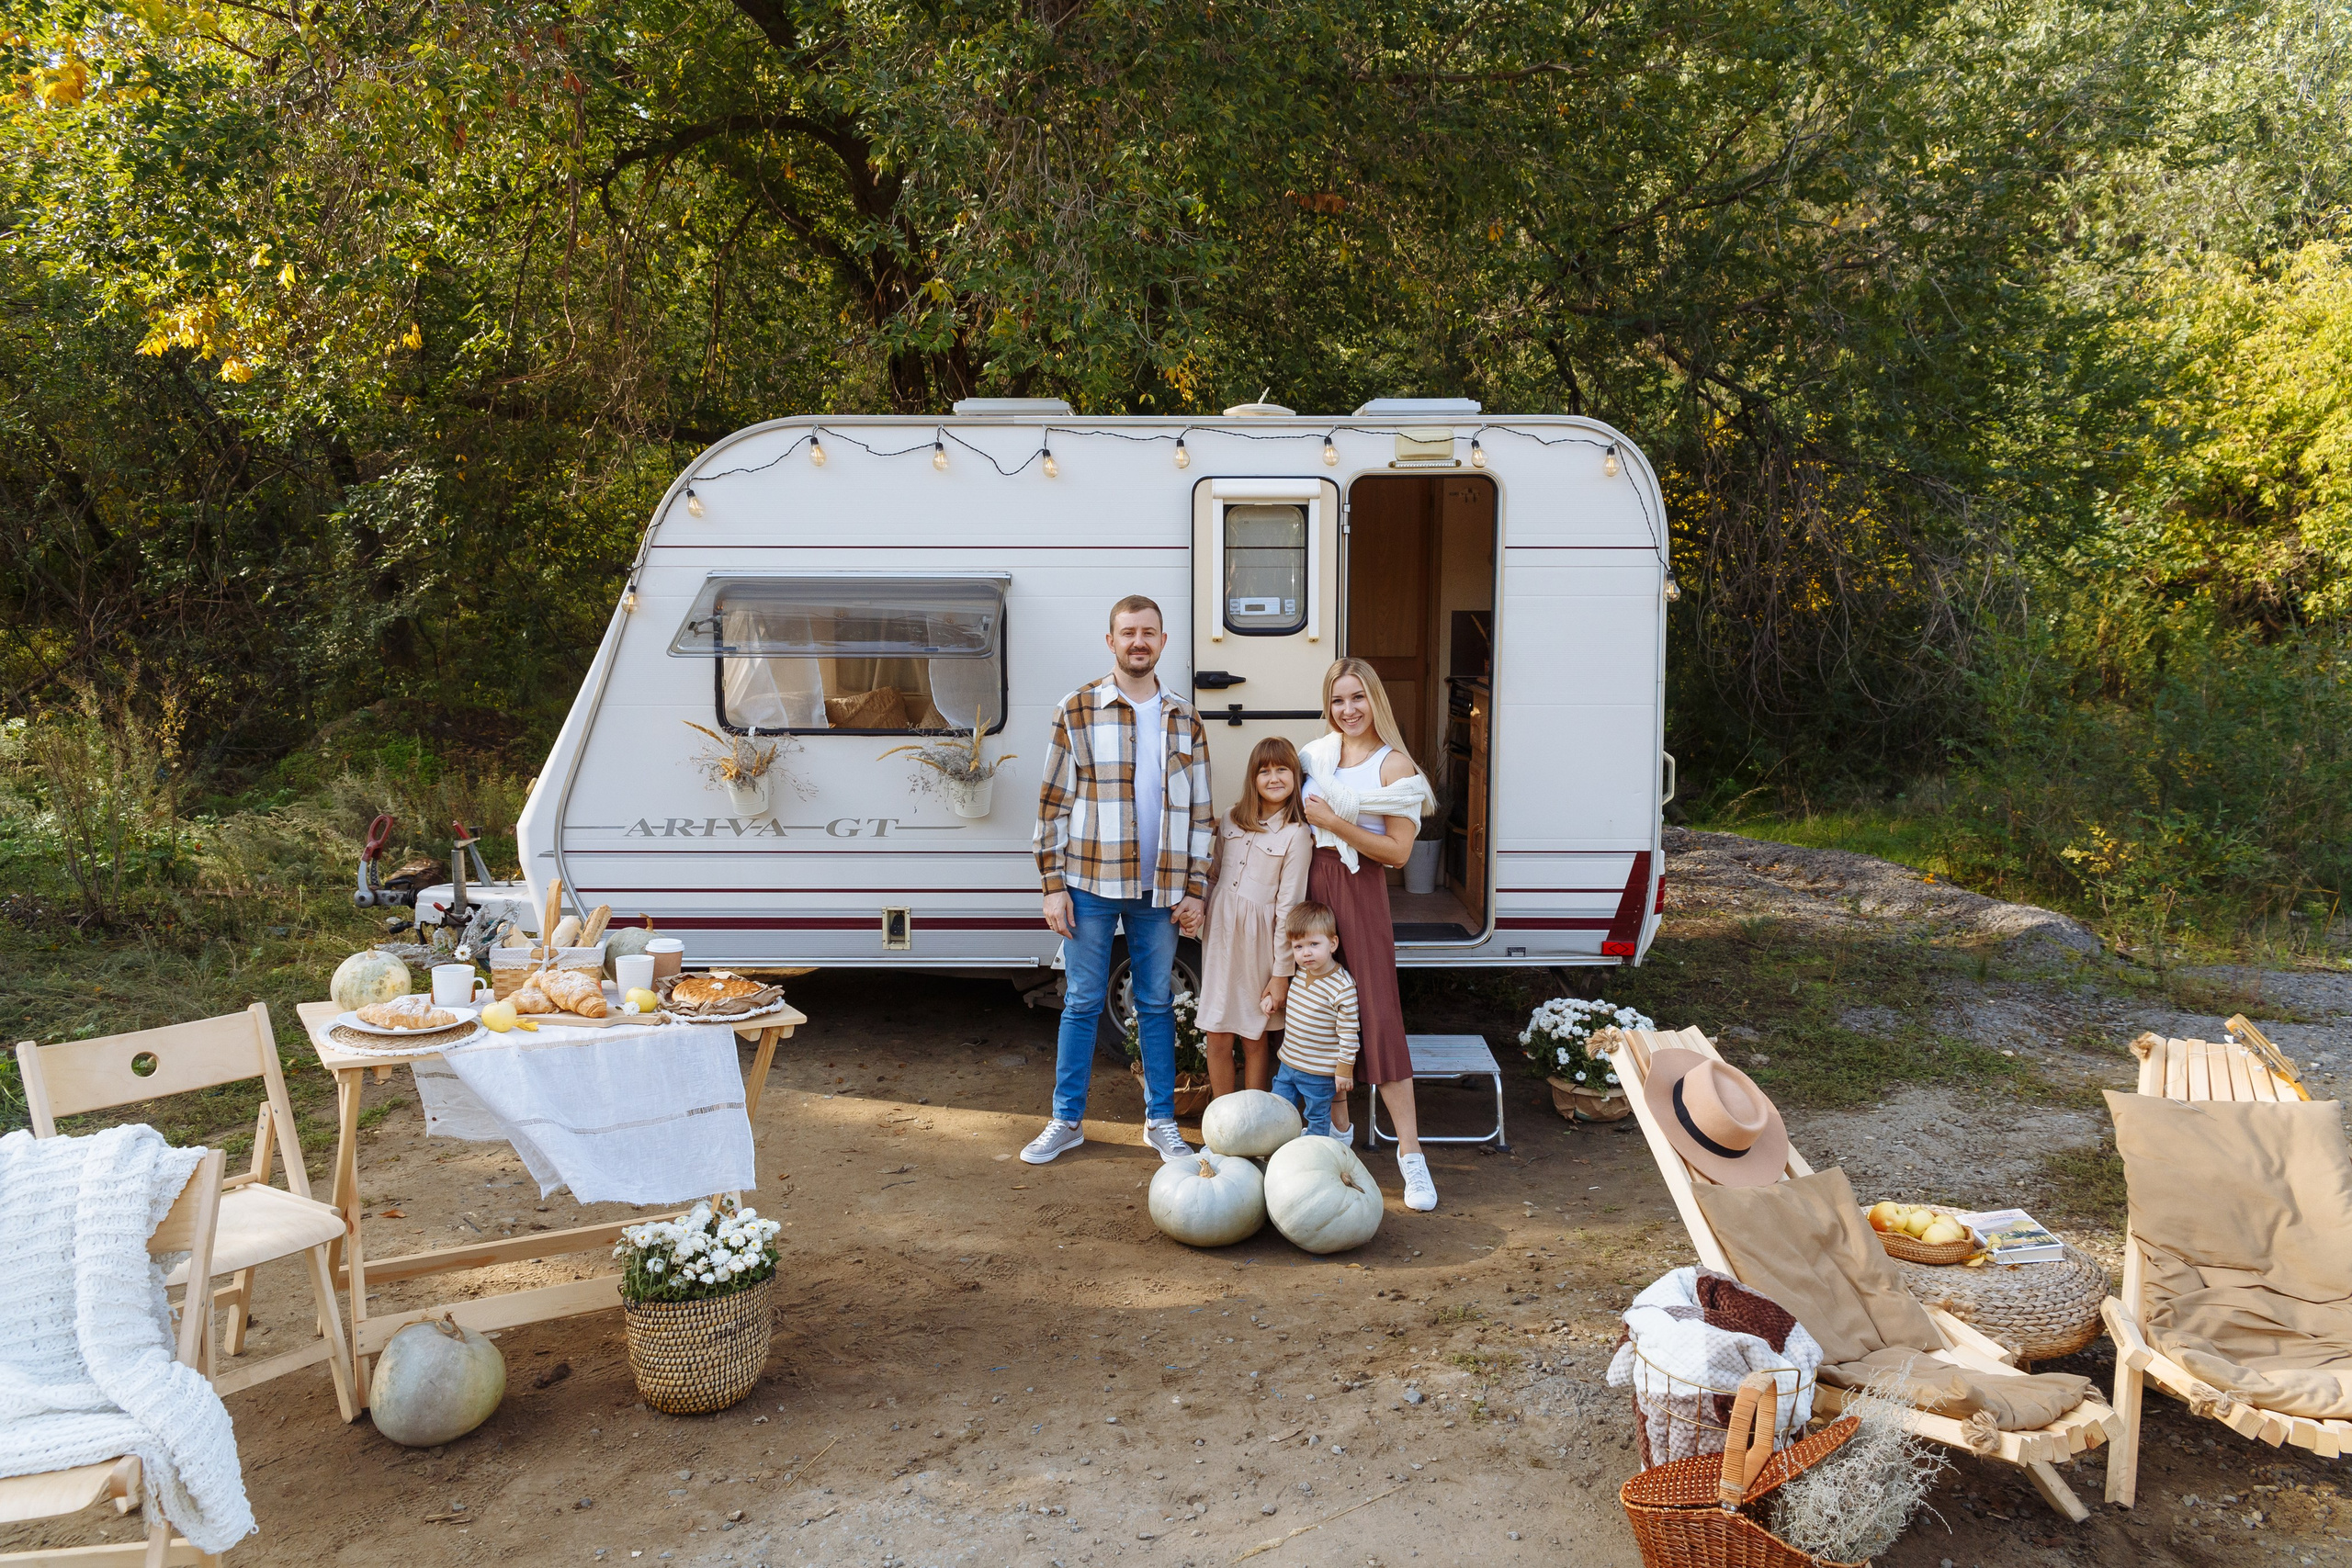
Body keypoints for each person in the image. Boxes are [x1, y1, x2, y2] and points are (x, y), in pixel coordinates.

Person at [1023, 594, 1213, 1166]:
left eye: (1148, 632)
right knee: (1082, 1001)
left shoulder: (1186, 717)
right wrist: (1051, 884)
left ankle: (1161, 1122)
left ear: (1162, 641)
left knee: (1155, 1004)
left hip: (1163, 889)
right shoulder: (1077, 709)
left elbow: (1203, 812)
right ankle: (1066, 1121)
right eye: (1127, 632)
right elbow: (1052, 803)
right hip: (1088, 883)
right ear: (1111, 641)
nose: (1138, 641)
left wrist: (1197, 889)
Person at [1296, 658, 1441, 1210]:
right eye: (1337, 700)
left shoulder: (1394, 765)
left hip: (1361, 886)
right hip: (1315, 881)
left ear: (1375, 700)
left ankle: (1411, 1156)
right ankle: (1339, 1139)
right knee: (1320, 1010)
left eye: (1357, 698)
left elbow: (1399, 852)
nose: (1348, 710)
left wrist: (1336, 823)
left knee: (1377, 1013)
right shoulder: (1316, 756)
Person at [1195, 736, 1314, 1098]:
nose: (1273, 778)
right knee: (1216, 1031)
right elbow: (1213, 875)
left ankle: (1253, 1121)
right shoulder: (1232, 818)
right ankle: (1222, 1122)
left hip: (1261, 943)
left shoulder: (1298, 834)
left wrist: (1281, 974)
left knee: (1254, 1034)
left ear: (1296, 777)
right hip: (1219, 937)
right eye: (1264, 771)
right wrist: (1197, 910)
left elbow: (1289, 907)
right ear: (1253, 777)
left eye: (1282, 770)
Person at [1268, 902, 1357, 1138]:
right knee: (1277, 1108)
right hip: (1288, 1063)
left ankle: (1316, 1153)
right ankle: (1276, 1148)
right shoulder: (1300, 975)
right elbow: (1302, 1008)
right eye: (1298, 946)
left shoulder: (1342, 986)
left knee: (1317, 1117)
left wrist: (1344, 1070)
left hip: (1319, 1071)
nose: (1306, 953)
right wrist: (1276, 1003)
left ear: (1333, 944)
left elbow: (1349, 1034)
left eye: (1314, 944)